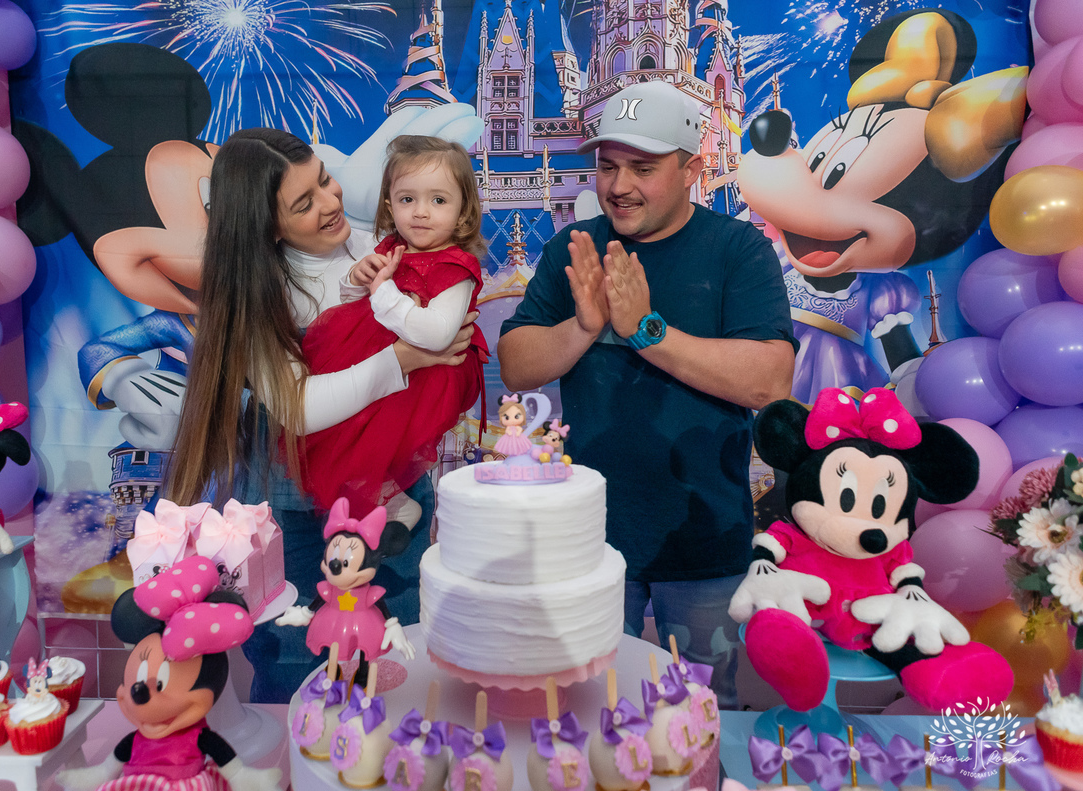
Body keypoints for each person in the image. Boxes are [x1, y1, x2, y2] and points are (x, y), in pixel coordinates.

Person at [497, 82, 797, 708]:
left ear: (691, 169)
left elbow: (769, 379)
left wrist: (645, 331)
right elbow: (518, 364)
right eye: (607, 167)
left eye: (643, 168)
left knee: (704, 712)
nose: (619, 186)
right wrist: (583, 325)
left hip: (706, 539)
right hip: (592, 543)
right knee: (591, 706)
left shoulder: (737, 250)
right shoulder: (571, 250)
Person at [165, 127, 477, 701]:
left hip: (392, 483)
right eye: (304, 202)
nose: (331, 203)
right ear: (265, 224)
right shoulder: (255, 291)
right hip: (301, 505)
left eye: (325, 180)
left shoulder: (381, 249)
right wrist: (404, 356)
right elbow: (298, 408)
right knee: (297, 661)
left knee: (400, 646)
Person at [297, 135, 489, 520]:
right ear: (389, 204)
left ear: (463, 210)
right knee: (351, 437)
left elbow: (435, 334)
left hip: (424, 379)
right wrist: (357, 278)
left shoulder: (455, 269)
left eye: (438, 200)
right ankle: (381, 499)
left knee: (380, 440)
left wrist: (382, 289)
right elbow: (355, 306)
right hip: (378, 359)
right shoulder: (390, 247)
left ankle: (394, 502)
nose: (420, 212)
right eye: (407, 200)